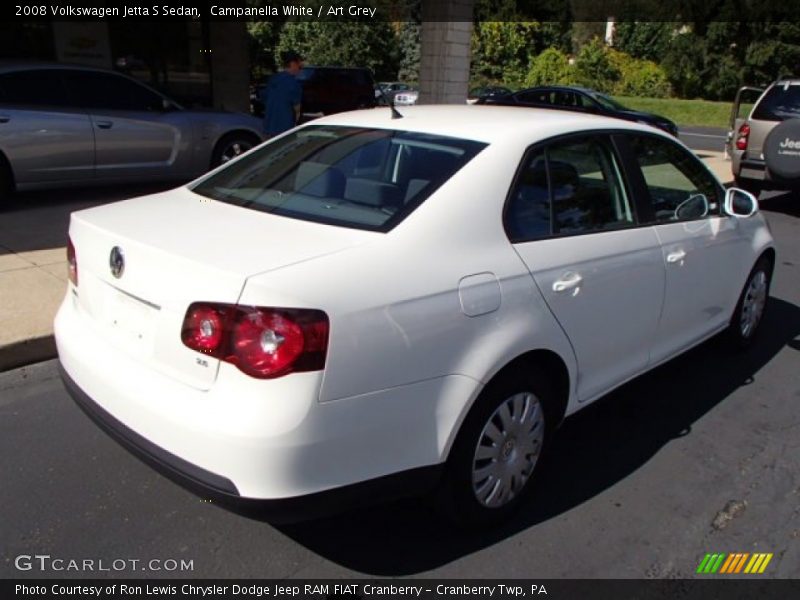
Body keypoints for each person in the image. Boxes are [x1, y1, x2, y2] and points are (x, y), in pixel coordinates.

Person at [261, 50, 303, 137]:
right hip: (284, 130)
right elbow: (297, 110)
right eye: (299, 66)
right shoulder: (293, 83)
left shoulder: (273, 79)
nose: (300, 69)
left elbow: (264, 99)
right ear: (293, 64)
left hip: (268, 128)